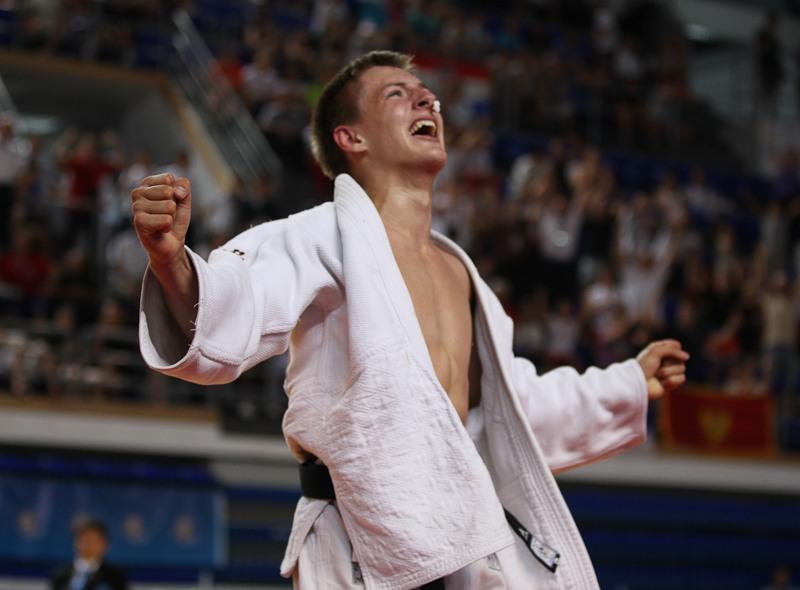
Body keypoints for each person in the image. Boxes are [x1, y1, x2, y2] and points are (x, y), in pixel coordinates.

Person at [132, 51, 688, 589]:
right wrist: (171, 262)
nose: (427, 101)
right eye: (397, 94)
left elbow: (512, 413)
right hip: (357, 543)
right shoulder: (320, 235)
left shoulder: (460, 272)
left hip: (461, 541)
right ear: (351, 138)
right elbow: (236, 306)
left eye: (429, 96)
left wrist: (626, 383)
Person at [50, 519, 127, 590]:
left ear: (105, 544)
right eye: (85, 540)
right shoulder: (61, 574)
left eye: (94, 541)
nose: (89, 545)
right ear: (75, 542)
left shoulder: (114, 576)